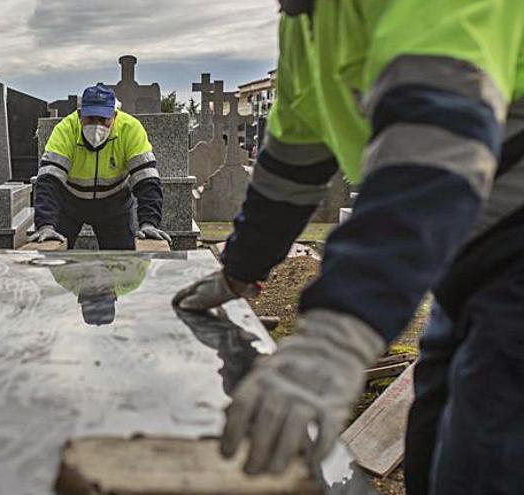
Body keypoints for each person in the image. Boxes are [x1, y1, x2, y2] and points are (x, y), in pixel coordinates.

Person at [174, 1, 524, 494]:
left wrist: (337, 334)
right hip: (465, 262)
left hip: (510, 251)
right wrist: (240, 268)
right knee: (431, 446)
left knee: (485, 465)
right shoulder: (304, 22)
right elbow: (291, 166)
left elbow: (433, 141)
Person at [30, 84, 171, 250]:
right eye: (90, 119)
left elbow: (147, 180)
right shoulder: (65, 130)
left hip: (114, 205)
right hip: (69, 203)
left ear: (114, 115)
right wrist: (46, 225)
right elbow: (49, 180)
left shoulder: (130, 129)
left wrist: (149, 223)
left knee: (121, 267)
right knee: (53, 264)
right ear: (79, 114)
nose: (96, 126)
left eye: (103, 119)